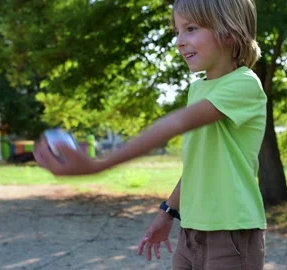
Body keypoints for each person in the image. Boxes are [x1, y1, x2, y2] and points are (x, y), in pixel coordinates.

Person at [32, 0, 267, 269]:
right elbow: (200, 166)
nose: (179, 41)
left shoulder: (244, 84)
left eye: (190, 29)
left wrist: (101, 165)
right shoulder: (198, 88)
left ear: (229, 31)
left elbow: (175, 123)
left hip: (232, 232)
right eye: (176, 31)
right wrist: (168, 211)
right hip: (192, 230)